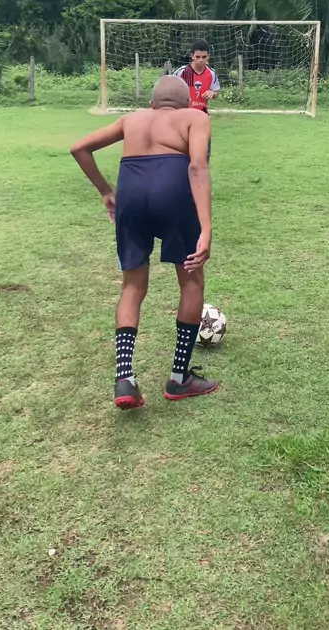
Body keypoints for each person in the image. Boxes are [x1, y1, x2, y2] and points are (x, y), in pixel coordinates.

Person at [70, 76, 218, 410]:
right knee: (191, 279)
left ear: (152, 104)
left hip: (131, 194)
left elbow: (79, 148)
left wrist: (106, 191)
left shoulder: (132, 119)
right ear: (186, 102)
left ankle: (124, 378)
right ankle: (179, 378)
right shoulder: (195, 117)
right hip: (174, 193)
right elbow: (197, 166)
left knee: (132, 285)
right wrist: (206, 228)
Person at [173, 38, 221, 114]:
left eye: (204, 57)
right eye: (197, 57)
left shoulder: (212, 73)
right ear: (192, 56)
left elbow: (216, 92)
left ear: (208, 56)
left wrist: (212, 93)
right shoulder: (182, 72)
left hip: (202, 114)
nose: (201, 60)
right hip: (183, 114)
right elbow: (170, 90)